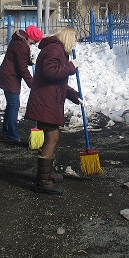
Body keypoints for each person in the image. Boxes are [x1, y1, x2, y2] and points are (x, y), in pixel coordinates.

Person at [25, 27, 82, 195]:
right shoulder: (54, 49)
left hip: (48, 101)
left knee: (52, 138)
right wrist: (71, 67)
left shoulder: (55, 49)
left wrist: (73, 95)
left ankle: (46, 174)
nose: (73, 47)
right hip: (46, 103)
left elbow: (59, 81)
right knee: (52, 138)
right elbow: (50, 73)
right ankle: (43, 181)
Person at [0, 24, 43, 145]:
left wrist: (30, 62)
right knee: (14, 105)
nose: (34, 44)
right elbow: (22, 68)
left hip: (8, 76)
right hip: (10, 78)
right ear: (30, 38)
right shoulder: (21, 46)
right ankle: (12, 135)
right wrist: (32, 84)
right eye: (34, 41)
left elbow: (20, 60)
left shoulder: (18, 41)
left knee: (11, 105)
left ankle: (7, 132)